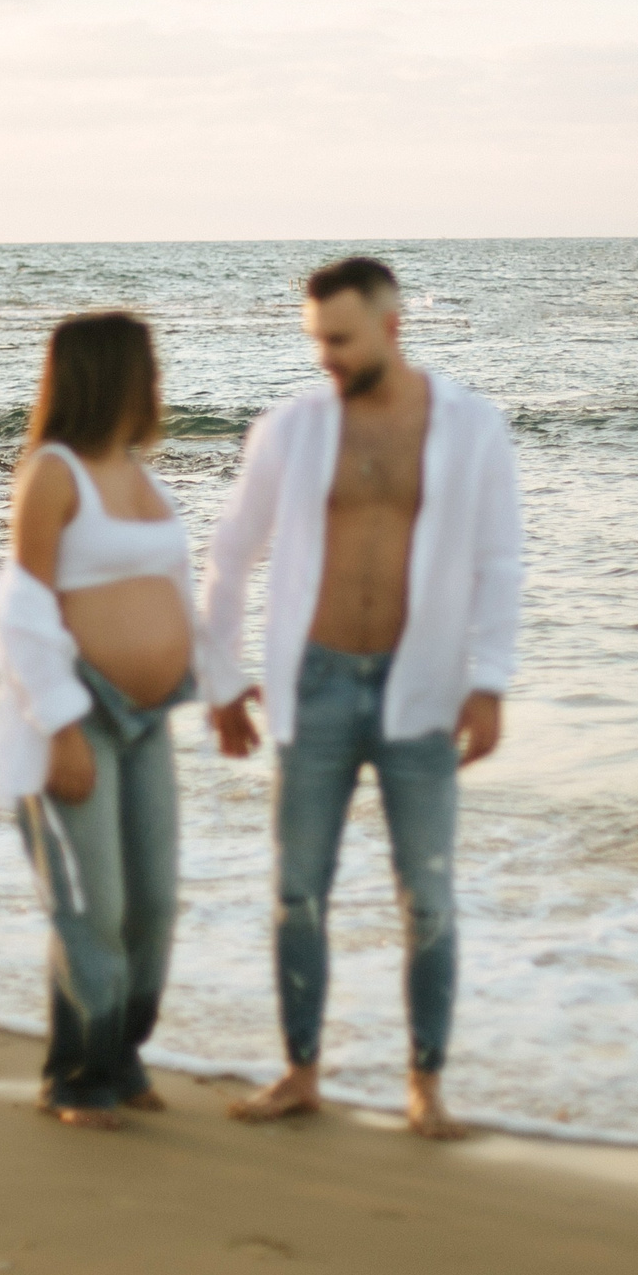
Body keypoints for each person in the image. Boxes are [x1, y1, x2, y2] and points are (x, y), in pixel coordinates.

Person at [201, 257, 524, 1140]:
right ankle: (301, 1073)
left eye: (339, 340)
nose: (326, 358)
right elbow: (231, 555)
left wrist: (489, 680)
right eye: (316, 341)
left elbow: (500, 560)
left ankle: (427, 1088)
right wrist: (222, 679)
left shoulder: (470, 427)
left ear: (391, 325)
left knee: (428, 894)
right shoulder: (292, 431)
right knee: (299, 889)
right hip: (317, 682)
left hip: (422, 685)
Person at [0, 312, 198, 1129]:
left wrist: (218, 682)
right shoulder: (54, 470)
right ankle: (76, 1074)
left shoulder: (142, 474)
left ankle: (121, 1053)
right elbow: (25, 606)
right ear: (111, 374)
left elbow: (174, 589)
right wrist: (61, 725)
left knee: (152, 903)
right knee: (92, 903)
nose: (159, 384)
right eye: (149, 368)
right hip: (73, 711)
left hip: (147, 717)